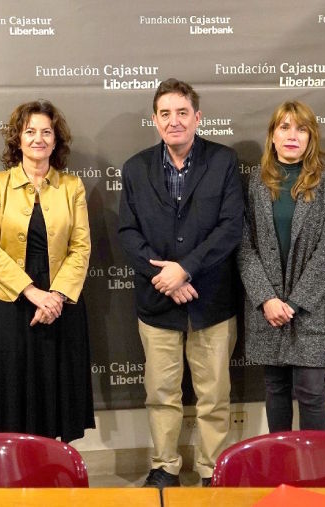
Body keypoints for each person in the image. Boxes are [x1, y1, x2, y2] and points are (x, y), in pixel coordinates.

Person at [118, 78, 243, 487]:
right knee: (161, 394)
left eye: (183, 112)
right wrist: (165, 277)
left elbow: (229, 228)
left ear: (198, 117)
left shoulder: (223, 161)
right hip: (158, 304)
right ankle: (164, 466)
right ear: (154, 120)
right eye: (166, 114)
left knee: (214, 396)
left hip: (211, 300)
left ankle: (211, 470)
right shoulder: (135, 168)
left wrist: (185, 268)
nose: (175, 121)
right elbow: (127, 233)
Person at [0, 99, 94, 442]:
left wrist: (55, 296)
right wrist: (33, 293)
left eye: (46, 132)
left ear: (56, 141)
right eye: (30, 132)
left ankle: (52, 473)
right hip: (10, 302)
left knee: (55, 393)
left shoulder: (72, 186)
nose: (38, 139)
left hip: (61, 304)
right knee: (12, 395)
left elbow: (80, 247)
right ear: (18, 139)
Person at [237, 101, 325, 433]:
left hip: (310, 308)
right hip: (266, 308)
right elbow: (244, 246)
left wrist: (294, 304)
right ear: (272, 135)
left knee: (311, 392)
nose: (292, 136)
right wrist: (267, 299)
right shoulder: (256, 181)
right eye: (284, 127)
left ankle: (312, 470)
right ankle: (281, 468)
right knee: (275, 390)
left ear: (312, 137)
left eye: (301, 128)